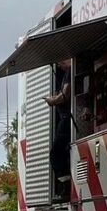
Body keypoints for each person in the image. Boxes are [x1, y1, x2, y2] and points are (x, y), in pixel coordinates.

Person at [45, 59, 73, 201]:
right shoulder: (65, 73)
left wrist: (53, 101)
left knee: (56, 153)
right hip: (66, 117)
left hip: (68, 118)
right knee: (65, 151)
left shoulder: (70, 71)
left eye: (60, 62)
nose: (59, 65)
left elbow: (65, 95)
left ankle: (66, 186)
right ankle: (67, 185)